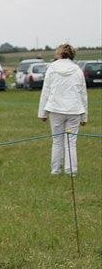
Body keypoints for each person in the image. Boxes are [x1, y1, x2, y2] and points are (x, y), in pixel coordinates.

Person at [38, 43, 88, 176]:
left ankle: (55, 170)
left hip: (55, 110)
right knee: (71, 142)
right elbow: (83, 93)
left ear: (59, 53)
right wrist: (84, 116)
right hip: (74, 110)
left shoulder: (52, 68)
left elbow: (46, 91)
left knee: (57, 140)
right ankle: (71, 171)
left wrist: (42, 113)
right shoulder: (77, 70)